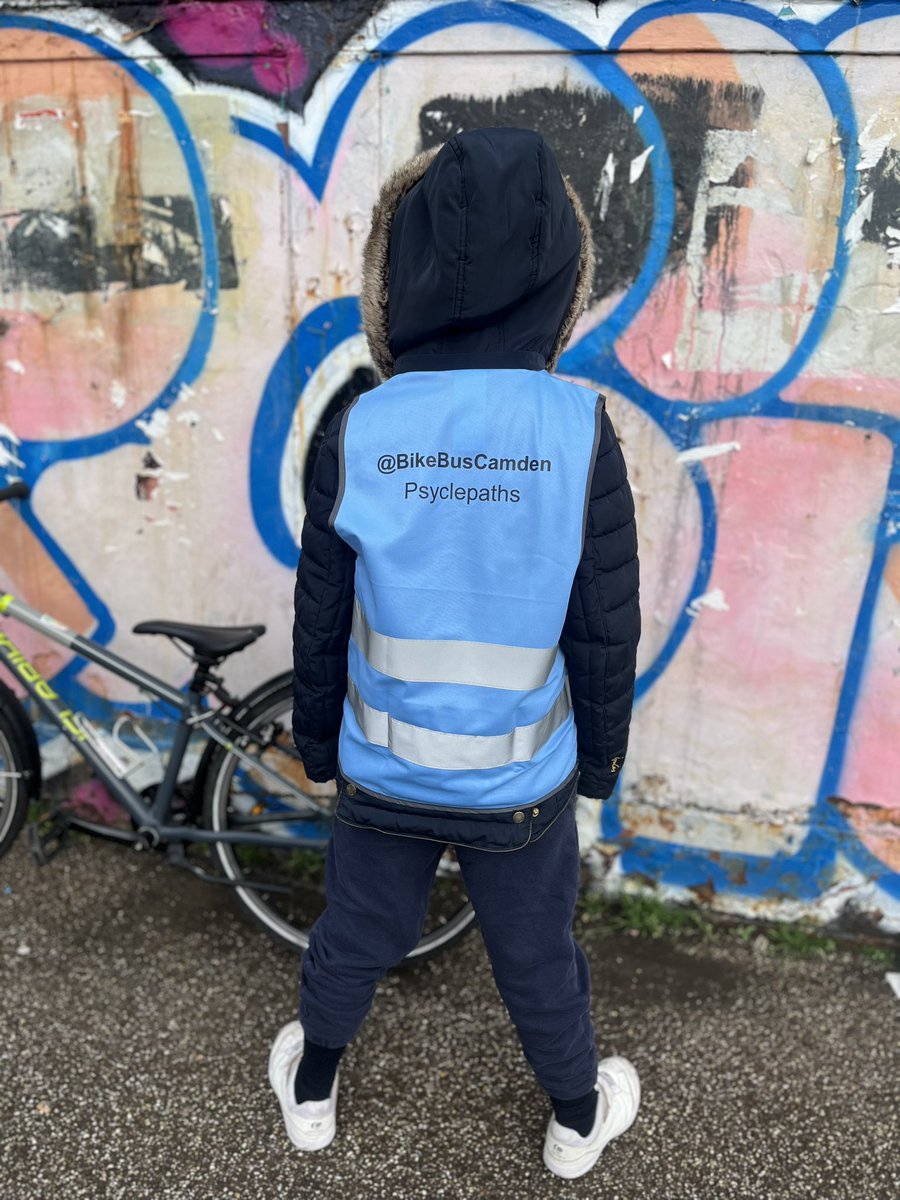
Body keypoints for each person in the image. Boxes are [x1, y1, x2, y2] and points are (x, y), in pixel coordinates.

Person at [268, 127, 641, 1180]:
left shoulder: (363, 423)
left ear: (402, 269)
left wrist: (319, 744)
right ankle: (576, 1119)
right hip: (520, 786)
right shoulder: (579, 430)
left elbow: (323, 608)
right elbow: (604, 621)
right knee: (536, 960)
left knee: (354, 937)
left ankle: (311, 1090)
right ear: (563, 278)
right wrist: (601, 760)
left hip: (386, 772)